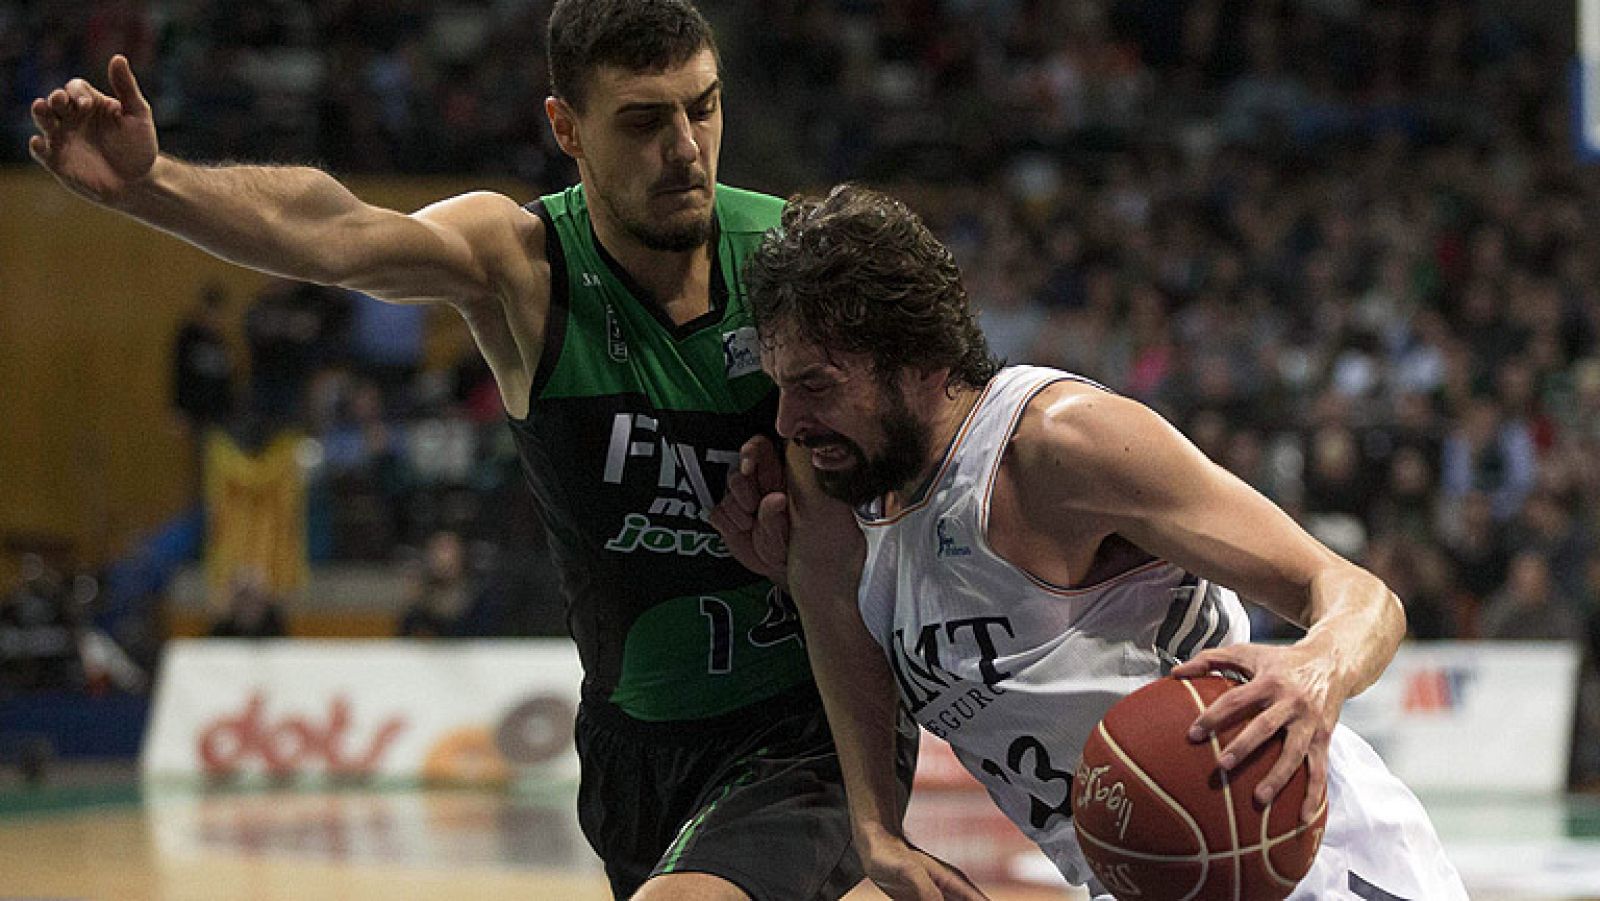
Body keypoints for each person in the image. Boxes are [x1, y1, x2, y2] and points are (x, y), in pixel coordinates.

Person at [28, 4, 910, 898]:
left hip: (807, 725)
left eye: (705, 107)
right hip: (635, 751)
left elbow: (927, 441)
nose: (687, 146)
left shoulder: (792, 254)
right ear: (565, 126)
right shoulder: (524, 265)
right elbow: (334, 230)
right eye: (645, 121)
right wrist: (154, 185)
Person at [712, 184, 1468, 900]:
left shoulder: (1058, 443)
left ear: (918, 359)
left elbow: (1359, 594)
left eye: (815, 384)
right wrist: (876, 828)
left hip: (1301, 859)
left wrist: (1317, 668)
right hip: (1137, 877)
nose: (786, 420)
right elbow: (836, 623)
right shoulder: (838, 478)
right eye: (781, 384)